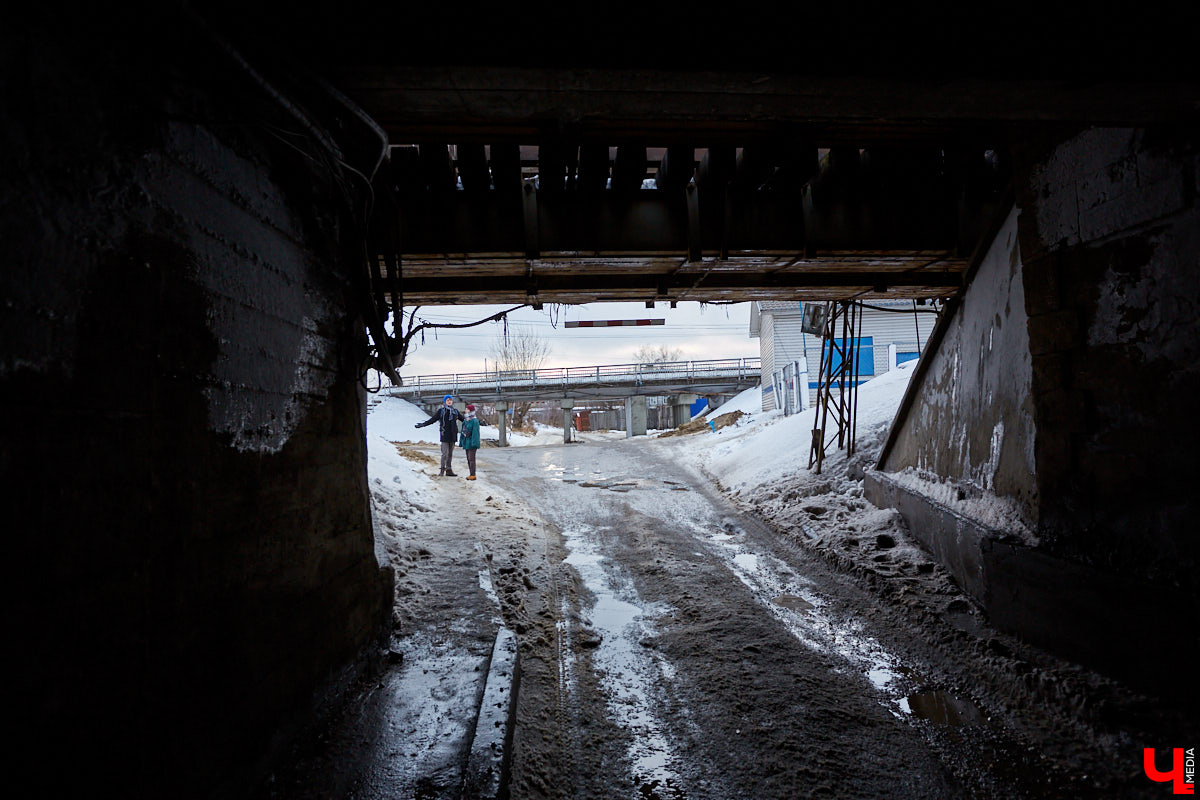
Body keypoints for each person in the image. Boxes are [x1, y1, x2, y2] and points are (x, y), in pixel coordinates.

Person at [415, 395, 464, 476]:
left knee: (450, 454)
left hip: (453, 435)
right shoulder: (441, 411)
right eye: (447, 400)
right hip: (444, 434)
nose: (449, 401)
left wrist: (476, 422)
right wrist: (423, 424)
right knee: (444, 454)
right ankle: (442, 470)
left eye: (450, 400)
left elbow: (464, 420)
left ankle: (449, 470)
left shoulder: (455, 411)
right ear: (444, 402)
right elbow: (433, 420)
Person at [459, 404, 481, 480]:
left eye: (467, 409)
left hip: (471, 443)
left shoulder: (474, 421)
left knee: (471, 459)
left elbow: (475, 433)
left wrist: (474, 443)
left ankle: (473, 474)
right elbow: (462, 432)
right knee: (468, 459)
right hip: (466, 442)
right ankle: (471, 474)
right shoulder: (466, 420)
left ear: (470, 410)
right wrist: (461, 442)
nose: (465, 410)